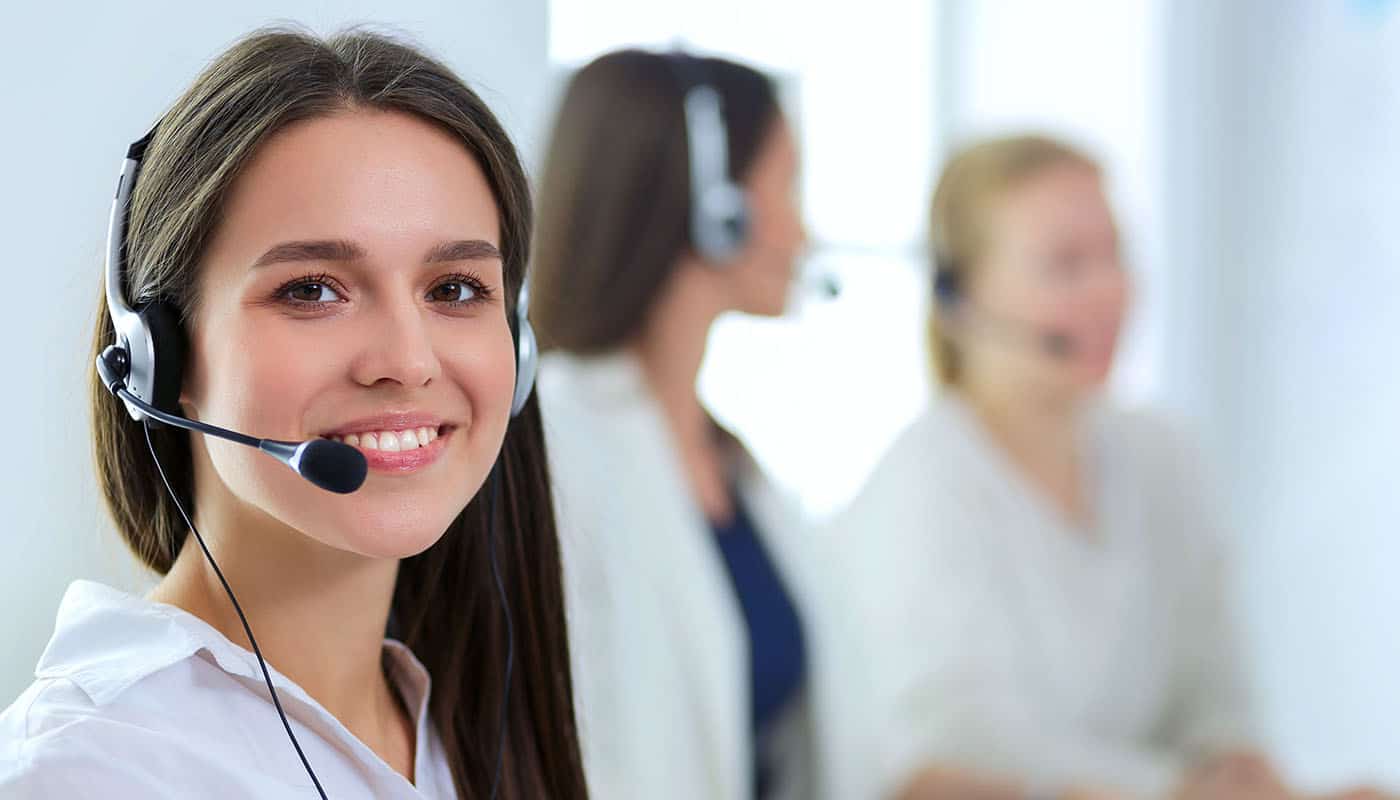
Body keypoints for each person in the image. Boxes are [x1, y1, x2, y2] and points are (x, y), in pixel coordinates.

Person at [0, 28, 588, 799]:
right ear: (160, 353)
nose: (408, 362)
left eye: (454, 288)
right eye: (312, 289)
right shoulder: (88, 772)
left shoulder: (461, 726)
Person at [849, 133, 1296, 800]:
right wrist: (1176, 791)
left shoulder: (1164, 456)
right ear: (958, 295)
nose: (1109, 291)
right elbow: (951, 747)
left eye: (1115, 255)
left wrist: (1238, 761)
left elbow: (1215, 692)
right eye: (1066, 264)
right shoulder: (922, 486)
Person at [529, 49, 873, 800]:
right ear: (716, 206)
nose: (804, 231)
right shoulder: (554, 454)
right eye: (787, 186)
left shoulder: (734, 464)